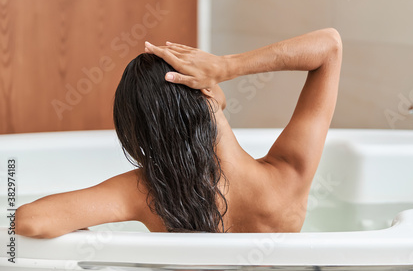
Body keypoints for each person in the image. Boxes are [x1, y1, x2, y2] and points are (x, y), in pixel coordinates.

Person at [15, 28, 342, 238]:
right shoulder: (289, 174)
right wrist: (227, 66)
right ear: (208, 92)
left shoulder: (148, 194)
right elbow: (329, 47)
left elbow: (30, 220)